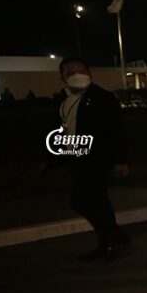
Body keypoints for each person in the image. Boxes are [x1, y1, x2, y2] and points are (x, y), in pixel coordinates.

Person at [54, 57, 130, 260]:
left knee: (86, 200)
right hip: (76, 157)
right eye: (70, 72)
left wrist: (119, 160)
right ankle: (113, 238)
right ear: (62, 76)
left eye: (81, 70)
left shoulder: (102, 98)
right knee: (93, 201)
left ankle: (112, 239)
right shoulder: (63, 100)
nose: (76, 75)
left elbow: (117, 130)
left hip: (97, 158)